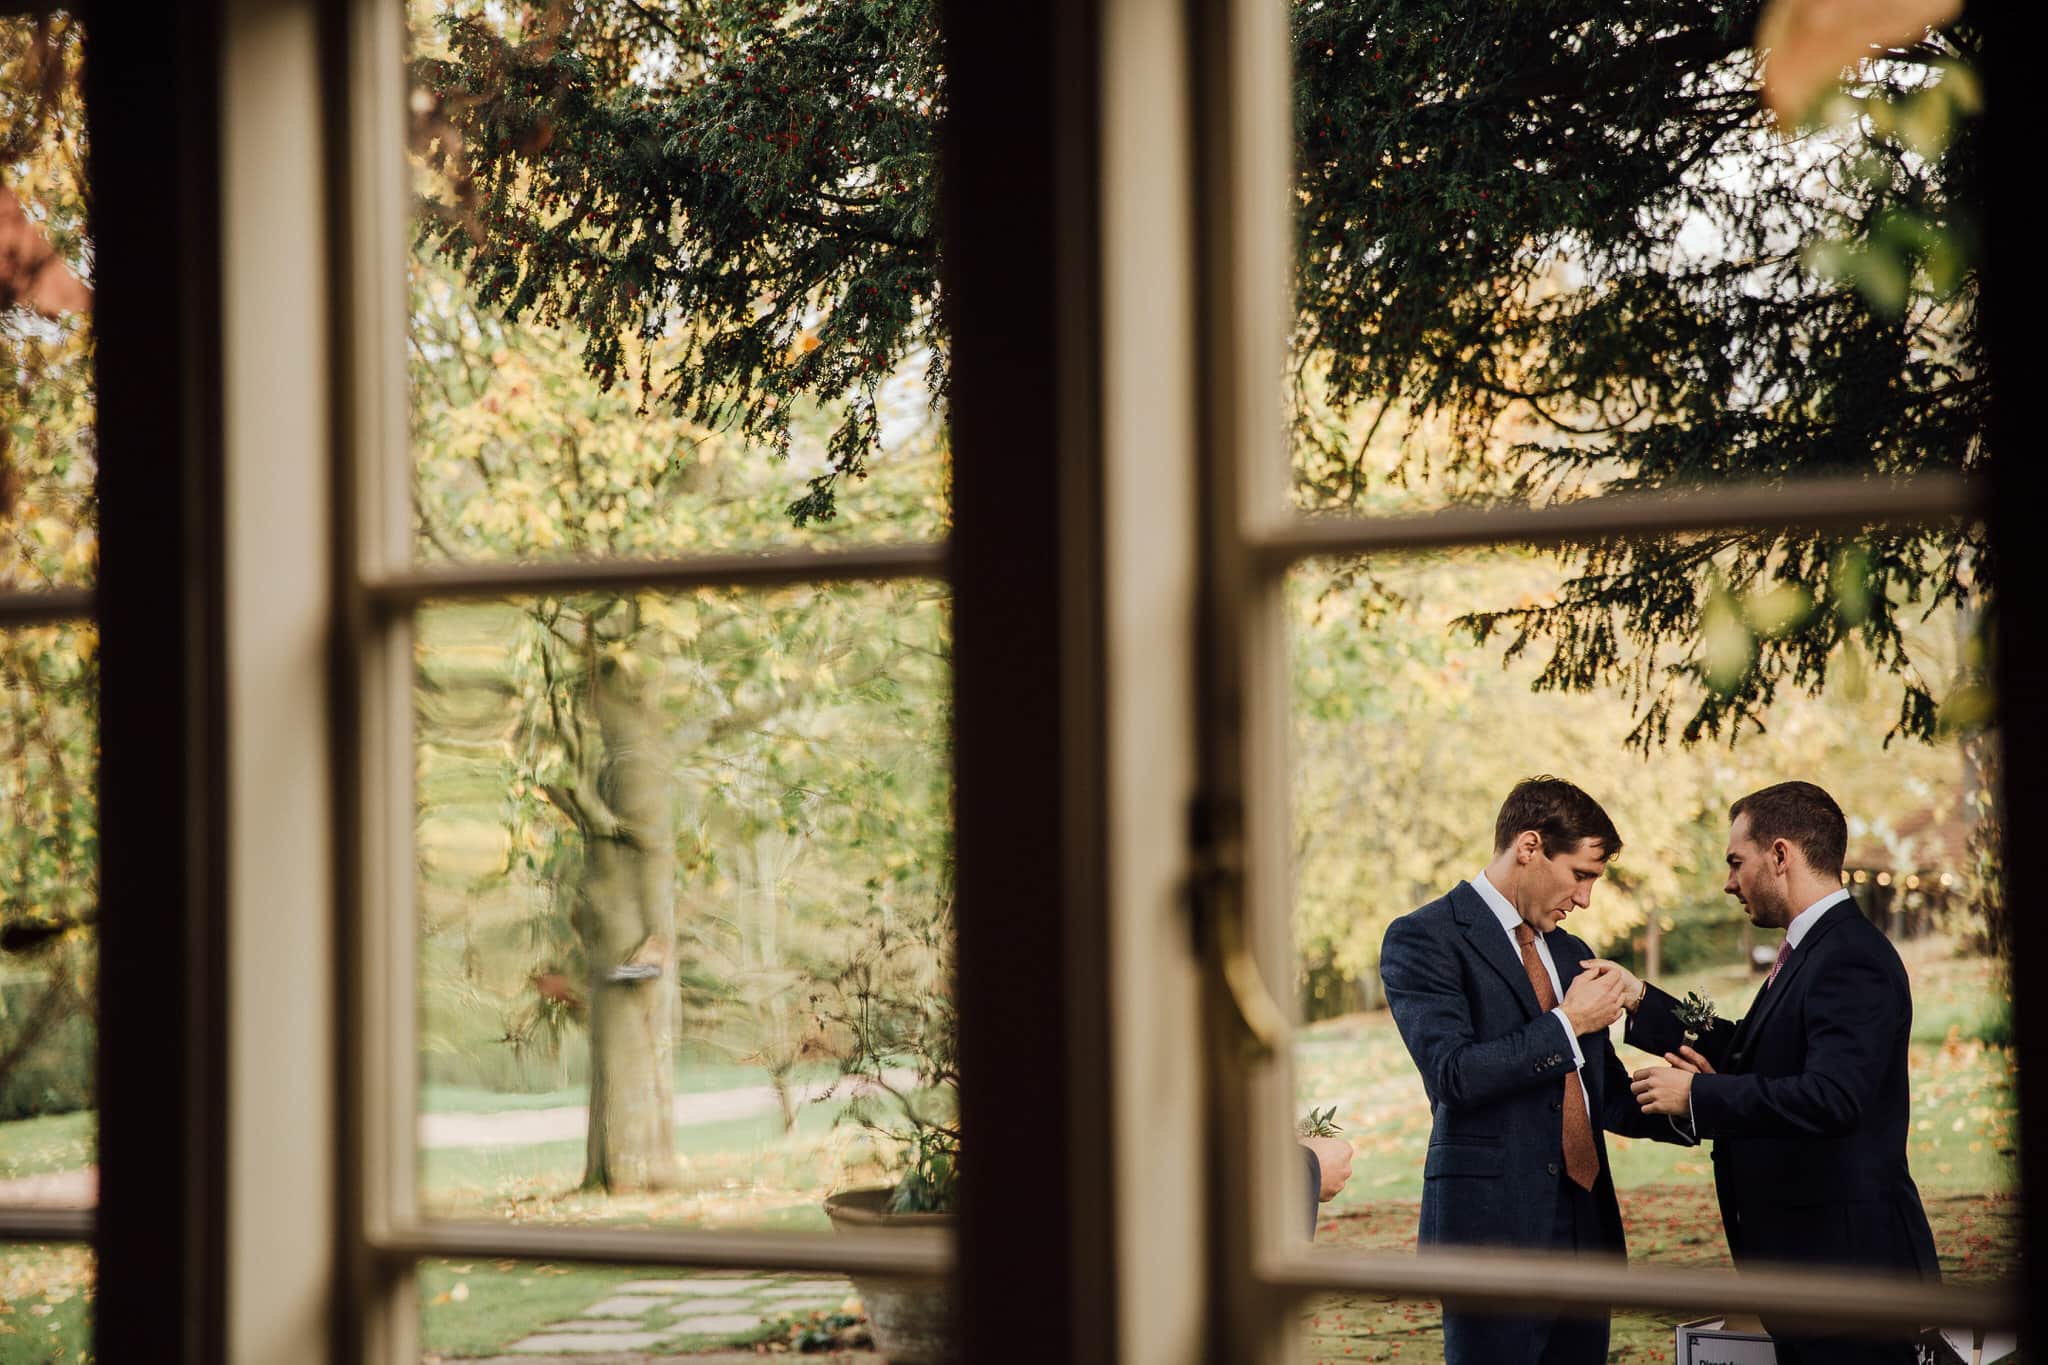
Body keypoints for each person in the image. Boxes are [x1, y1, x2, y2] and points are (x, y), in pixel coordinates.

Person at [1620, 780, 1938, 1364]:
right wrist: (1643, 1001)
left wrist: (1698, 1095)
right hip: (1814, 1273)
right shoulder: (1814, 948)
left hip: (1850, 1279)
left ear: (1781, 855)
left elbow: (1833, 1097)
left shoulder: (1850, 958)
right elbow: (1750, 1045)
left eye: (1736, 862)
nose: (1729, 881)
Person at [1379, 777, 1692, 1365]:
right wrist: (1566, 1024)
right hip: (1490, 1237)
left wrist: (1701, 1103)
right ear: (1529, 847)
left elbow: (1609, 1096)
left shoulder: (1571, 952)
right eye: (1581, 875)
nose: (1585, 899)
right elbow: (1453, 1075)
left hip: (1584, 1229)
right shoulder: (1423, 938)